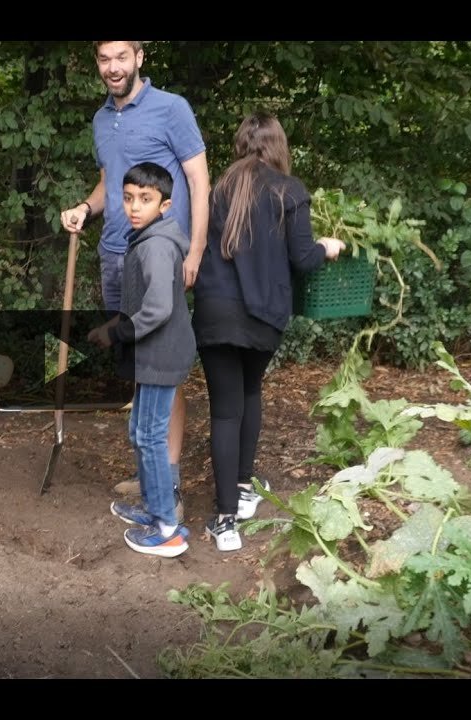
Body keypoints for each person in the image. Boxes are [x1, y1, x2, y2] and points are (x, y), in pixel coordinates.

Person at [59, 40, 209, 509]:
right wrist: (87, 206)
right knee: (138, 363)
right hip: (116, 253)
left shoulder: (172, 109)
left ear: (140, 57)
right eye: (104, 59)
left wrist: (197, 249)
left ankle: (170, 483)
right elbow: (111, 179)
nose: (113, 67)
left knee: (164, 368)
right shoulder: (103, 119)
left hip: (161, 259)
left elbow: (200, 180)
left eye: (121, 57)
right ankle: (149, 473)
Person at [192, 112, 345, 552]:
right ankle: (241, 490)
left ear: (241, 143)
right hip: (264, 316)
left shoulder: (220, 187)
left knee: (225, 409)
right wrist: (327, 248)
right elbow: (303, 259)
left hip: (216, 311)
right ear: (279, 145)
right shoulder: (289, 190)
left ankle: (225, 523)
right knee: (251, 391)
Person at [88, 162, 196, 558]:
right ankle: (153, 507)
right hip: (152, 354)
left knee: (150, 436)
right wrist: (111, 327)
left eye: (145, 200)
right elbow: (138, 304)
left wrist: (118, 332)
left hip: (161, 357)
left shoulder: (156, 246)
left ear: (164, 205)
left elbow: (157, 310)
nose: (135, 207)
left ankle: (168, 527)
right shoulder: (147, 238)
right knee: (140, 430)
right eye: (129, 198)